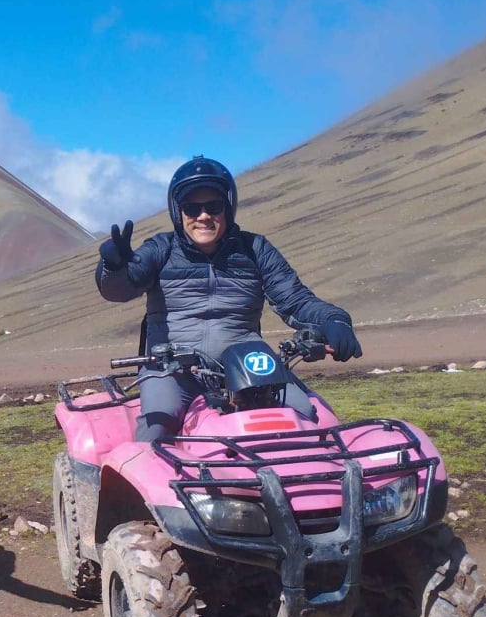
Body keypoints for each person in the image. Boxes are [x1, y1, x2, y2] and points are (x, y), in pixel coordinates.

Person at [95, 155, 362, 442]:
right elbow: (120, 289)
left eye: (213, 206)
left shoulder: (255, 249)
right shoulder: (161, 248)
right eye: (191, 208)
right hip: (171, 371)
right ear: (178, 211)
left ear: (228, 207)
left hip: (249, 367)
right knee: (156, 429)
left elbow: (295, 300)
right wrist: (113, 267)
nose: (203, 216)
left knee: (305, 414)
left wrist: (334, 321)